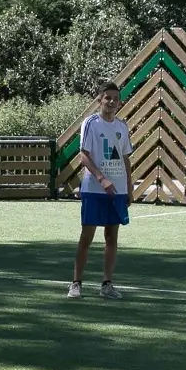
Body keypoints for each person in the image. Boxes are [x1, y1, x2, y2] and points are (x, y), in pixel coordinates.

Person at [69, 82, 132, 299]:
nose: (112, 102)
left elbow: (125, 158)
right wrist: (101, 179)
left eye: (116, 98)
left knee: (111, 237)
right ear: (100, 100)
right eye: (108, 98)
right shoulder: (91, 123)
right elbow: (83, 155)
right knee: (87, 236)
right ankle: (76, 283)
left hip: (118, 191)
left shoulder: (122, 127)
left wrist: (129, 187)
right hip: (94, 189)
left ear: (120, 102)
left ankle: (107, 284)